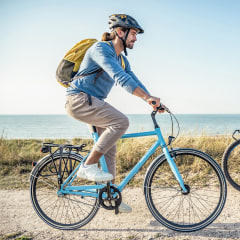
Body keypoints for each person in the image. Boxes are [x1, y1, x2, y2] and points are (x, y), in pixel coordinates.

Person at [65, 14, 163, 213]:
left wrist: (151, 99)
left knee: (109, 148)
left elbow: (133, 79)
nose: (135, 38)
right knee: (121, 122)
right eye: (133, 33)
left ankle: (110, 197)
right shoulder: (102, 49)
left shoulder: (122, 59)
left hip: (93, 102)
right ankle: (87, 165)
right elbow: (120, 79)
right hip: (79, 99)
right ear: (120, 32)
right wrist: (145, 98)